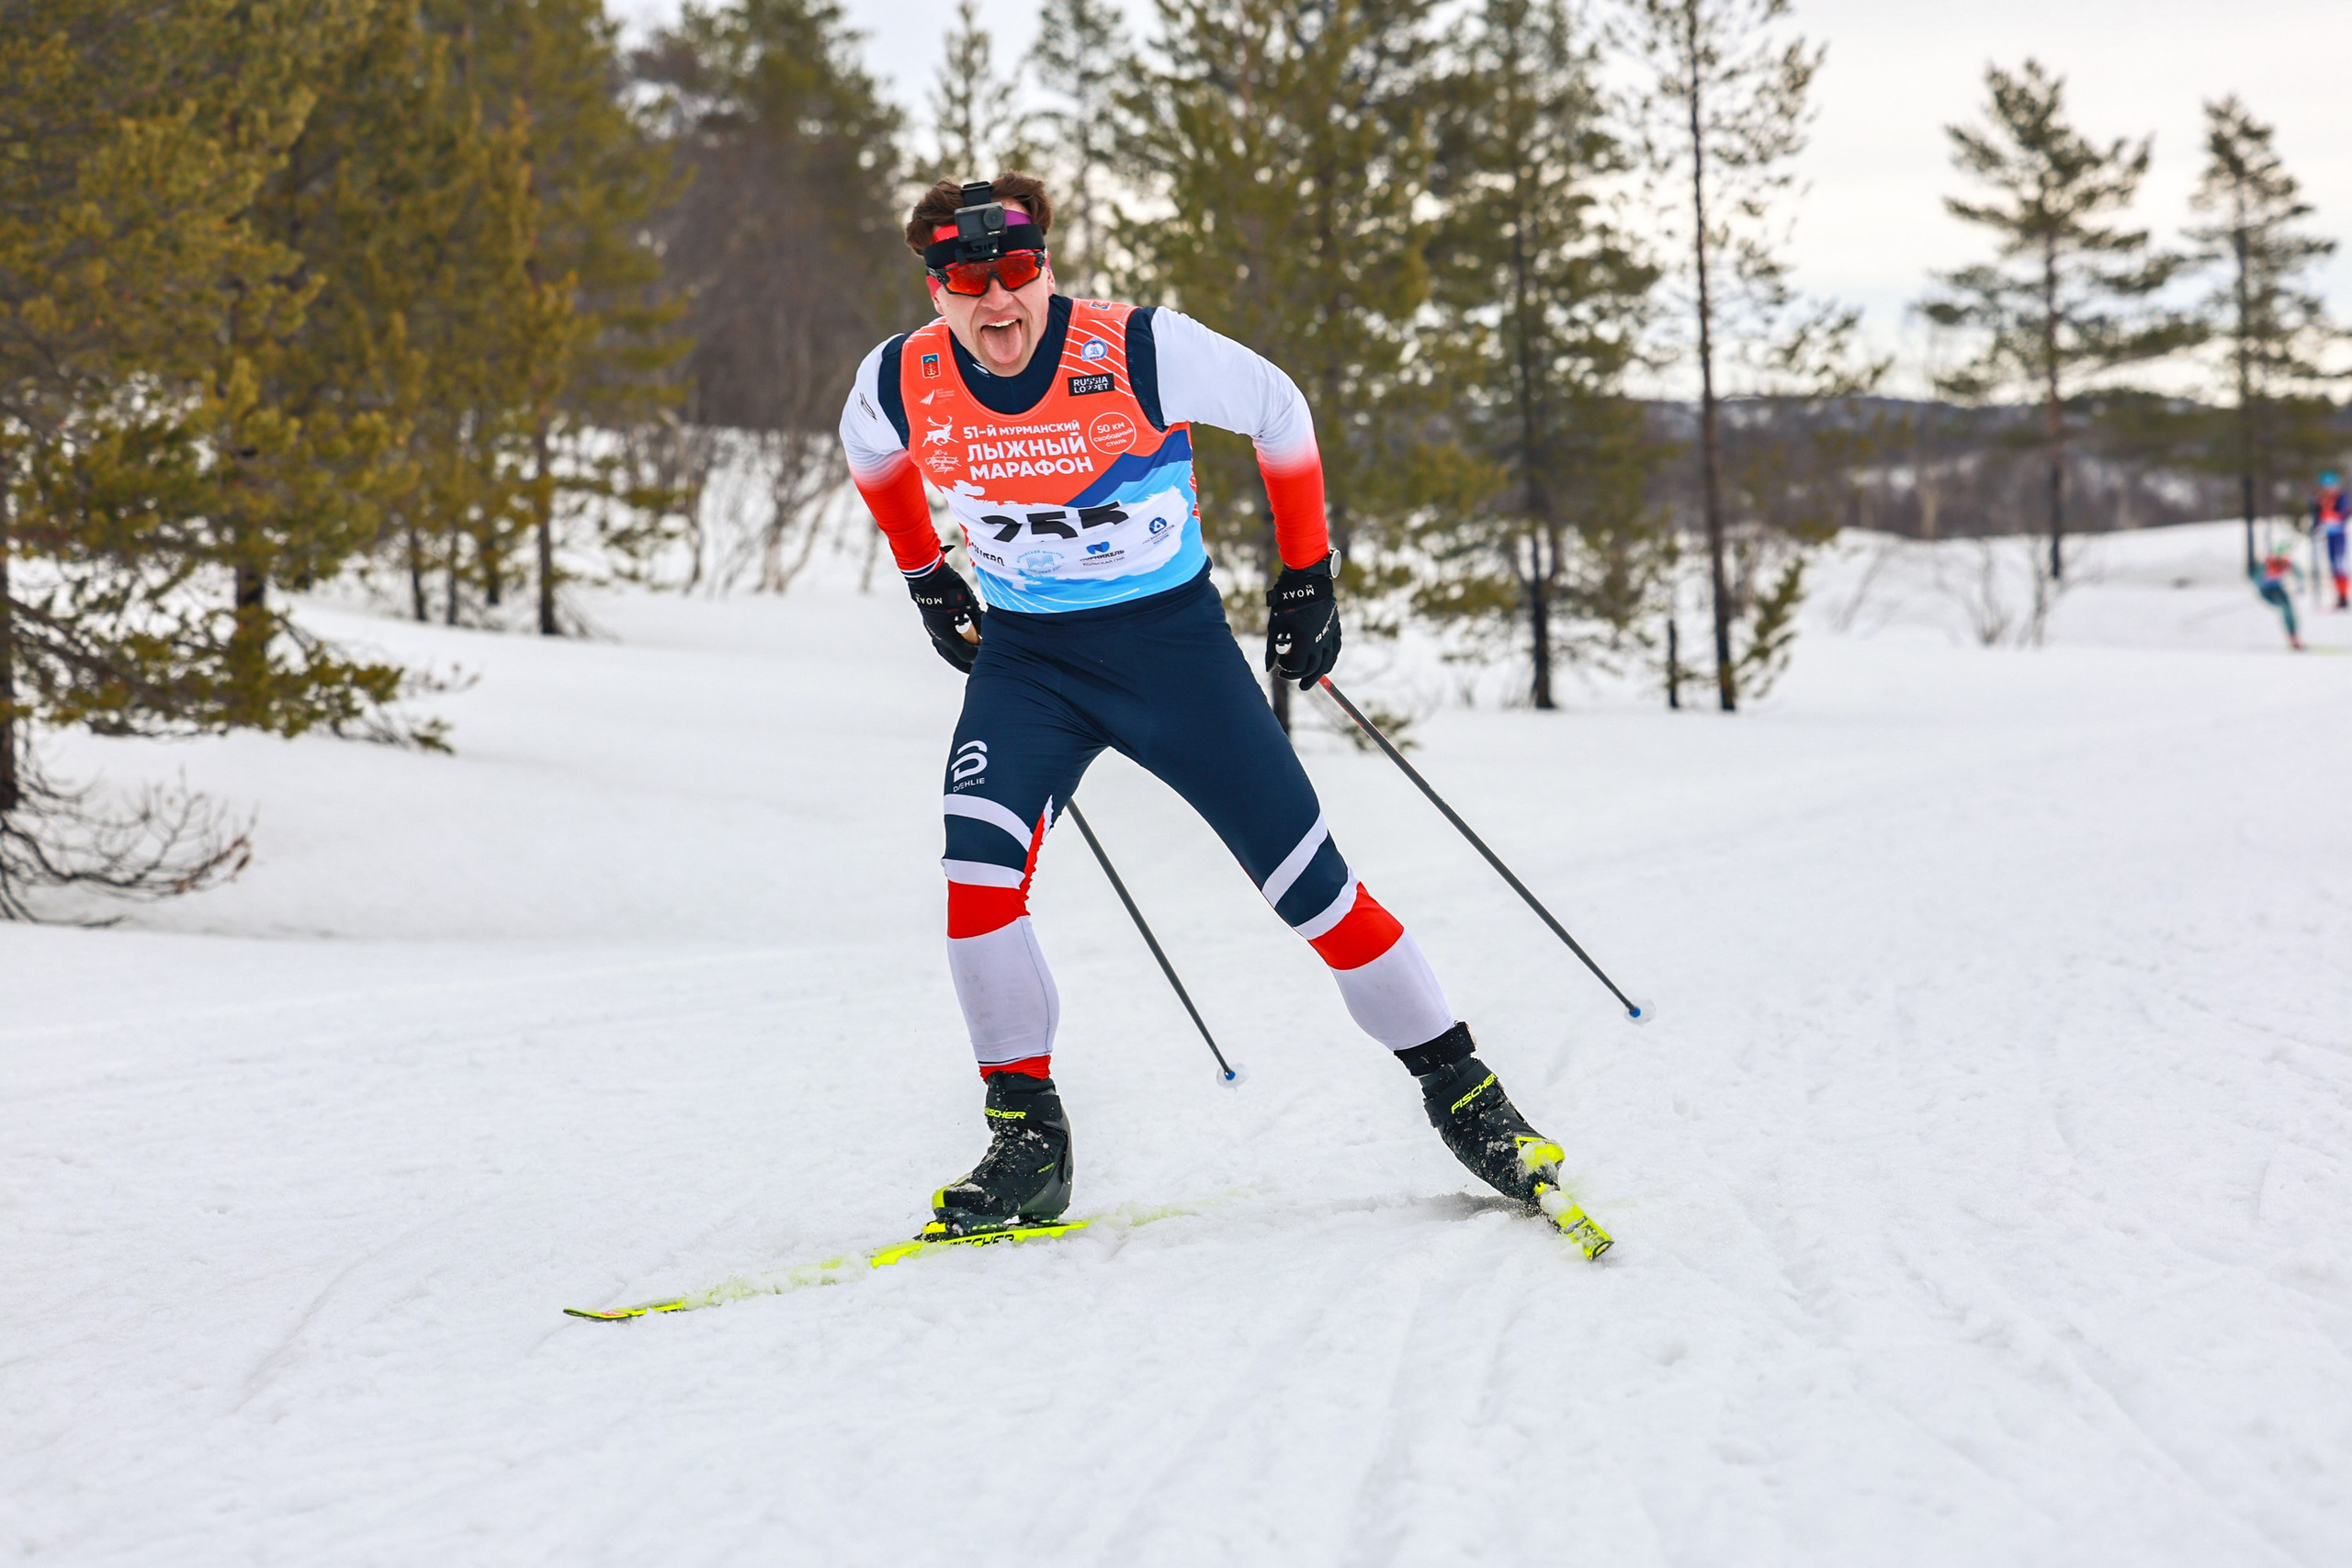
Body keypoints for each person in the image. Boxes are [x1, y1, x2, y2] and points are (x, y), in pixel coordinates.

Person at [838, 175, 1588, 1240]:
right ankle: (1026, 1143)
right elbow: (869, 454)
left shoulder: (1142, 346)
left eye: (1017, 272)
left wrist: (1306, 574)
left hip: (1170, 653)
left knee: (1313, 891)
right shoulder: (899, 376)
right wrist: (926, 574)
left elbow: (1279, 413)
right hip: (1028, 663)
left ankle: (1470, 1102)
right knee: (976, 873)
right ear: (936, 289)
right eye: (970, 282)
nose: (998, 303)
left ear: (1045, 264)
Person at [2254, 536, 2304, 650]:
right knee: (2285, 608)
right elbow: (2256, 580)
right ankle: (2293, 638)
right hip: (2267, 592)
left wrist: (2300, 585)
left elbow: (2300, 574)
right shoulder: (2268, 563)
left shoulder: (2286, 563)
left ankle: (2294, 637)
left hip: (2279, 590)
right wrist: (2267, 578)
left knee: (2290, 610)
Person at [2312, 470, 2348, 611]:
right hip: (2329, 535)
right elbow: (2317, 516)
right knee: (2333, 565)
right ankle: (2340, 596)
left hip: (2340, 535)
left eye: (2330, 485)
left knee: (2340, 565)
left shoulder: (2341, 498)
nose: (2328, 488)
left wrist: (2334, 518)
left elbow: (2344, 513)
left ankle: (2343, 596)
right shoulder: (2320, 499)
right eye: (2325, 485)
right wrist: (2316, 524)